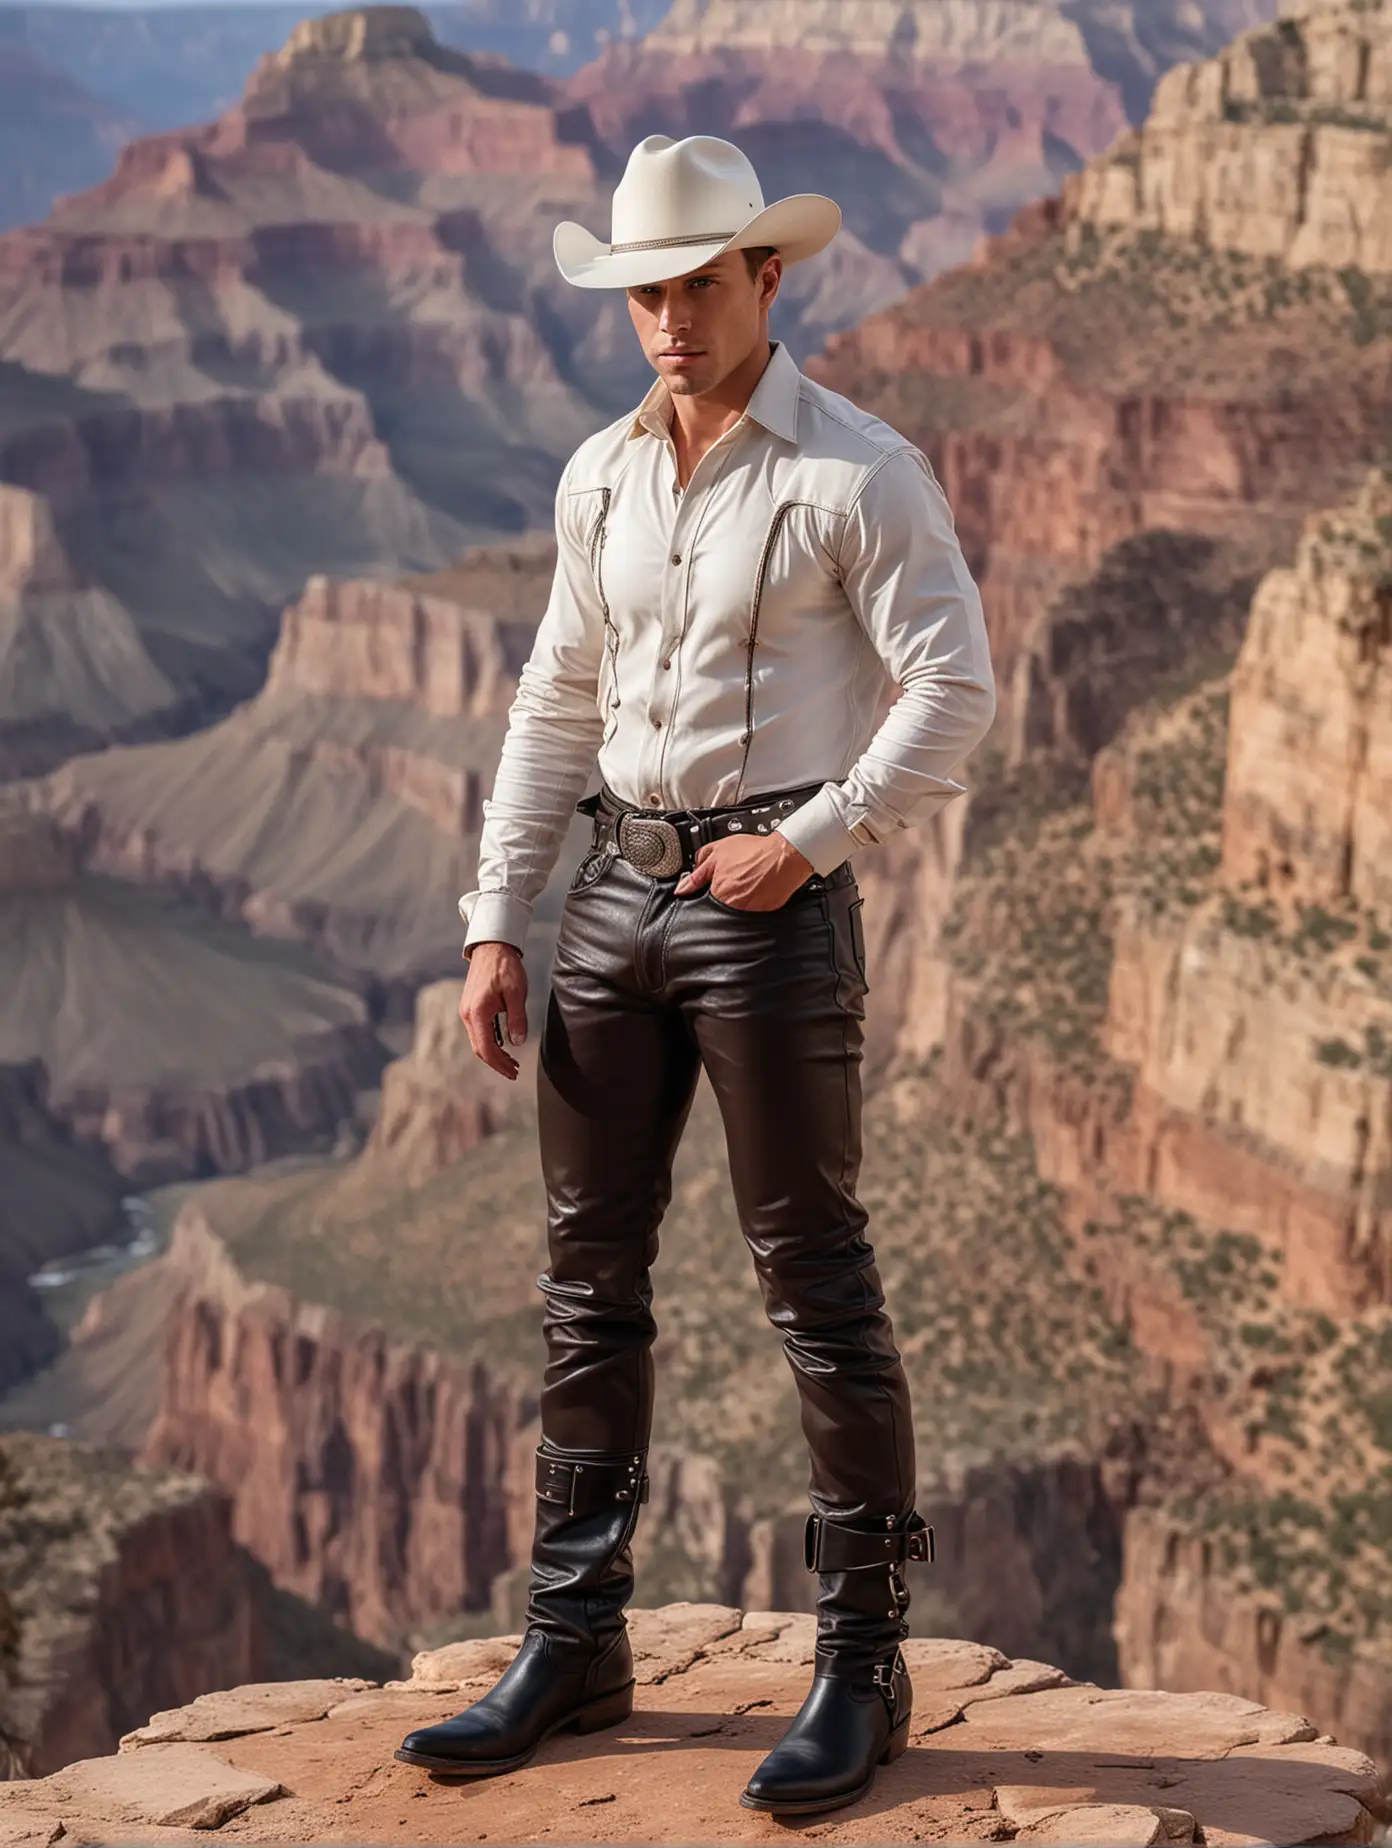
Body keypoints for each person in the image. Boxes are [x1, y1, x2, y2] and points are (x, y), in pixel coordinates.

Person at [395, 133, 996, 1816]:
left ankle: (862, 1673)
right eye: (644, 290)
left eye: (697, 286)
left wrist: (816, 837)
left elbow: (957, 689)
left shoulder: (855, 474)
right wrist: (496, 917)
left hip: (766, 911)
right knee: (587, 1279)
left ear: (767, 282)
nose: (667, 316)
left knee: (815, 1278)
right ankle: (577, 1637)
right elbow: (552, 705)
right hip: (611, 893)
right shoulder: (601, 475)